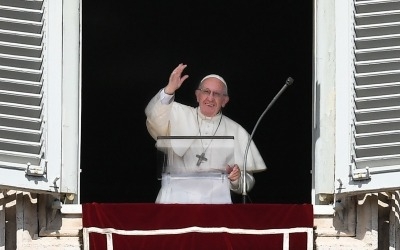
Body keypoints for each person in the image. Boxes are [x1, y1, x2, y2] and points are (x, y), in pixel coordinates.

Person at [145, 63, 267, 204]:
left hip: (216, 201)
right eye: (206, 92)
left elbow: (248, 181)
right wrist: (169, 90)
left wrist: (236, 178)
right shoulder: (177, 113)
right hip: (175, 197)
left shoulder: (237, 131)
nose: (210, 98)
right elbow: (154, 119)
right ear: (197, 95)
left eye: (216, 94)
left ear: (225, 101)